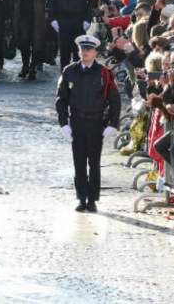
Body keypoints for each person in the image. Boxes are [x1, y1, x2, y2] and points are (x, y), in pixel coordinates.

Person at [55, 36, 121, 213]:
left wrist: (112, 124)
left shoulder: (104, 73)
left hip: (96, 122)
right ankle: (81, 198)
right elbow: (61, 99)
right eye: (82, 49)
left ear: (95, 53)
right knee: (79, 162)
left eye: (88, 50)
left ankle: (92, 199)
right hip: (76, 121)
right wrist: (63, 124)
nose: (84, 52)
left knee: (94, 162)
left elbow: (115, 100)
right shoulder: (70, 71)